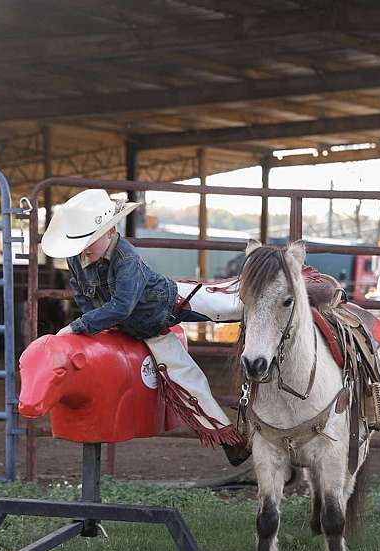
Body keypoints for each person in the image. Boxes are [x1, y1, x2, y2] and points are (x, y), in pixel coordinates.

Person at [41, 188, 249, 465]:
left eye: (90, 240)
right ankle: (229, 441)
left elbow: (121, 305)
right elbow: (81, 293)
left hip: (170, 301)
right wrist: (97, 324)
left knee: (232, 303)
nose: (85, 248)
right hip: (145, 329)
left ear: (111, 231)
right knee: (185, 380)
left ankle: (293, 294)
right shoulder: (77, 258)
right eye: (80, 242)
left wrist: (80, 326)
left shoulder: (126, 258)